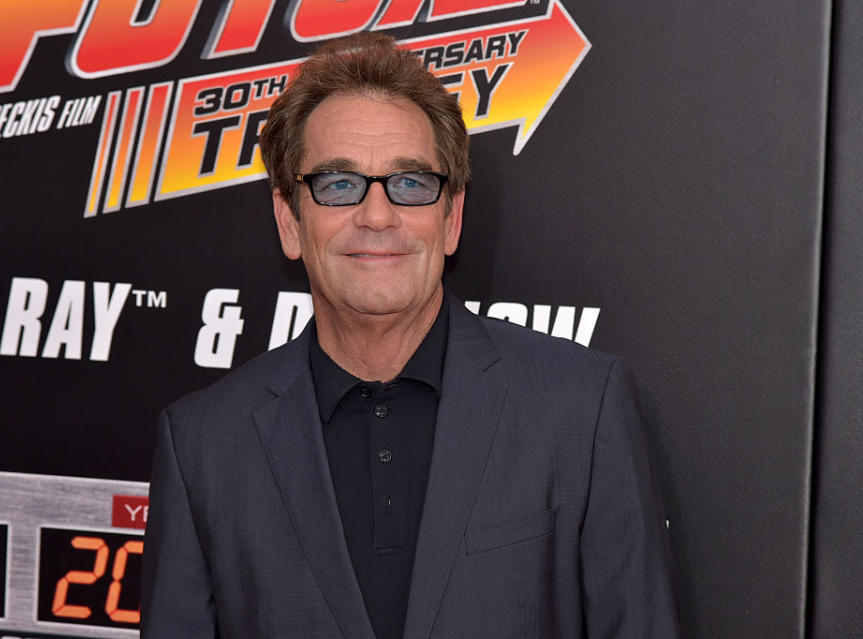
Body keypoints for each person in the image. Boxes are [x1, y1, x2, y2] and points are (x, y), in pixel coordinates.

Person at [141, 32, 679, 639]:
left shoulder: (582, 409)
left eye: (412, 183)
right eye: (339, 184)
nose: (377, 215)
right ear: (289, 220)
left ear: (451, 219)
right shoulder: (202, 444)